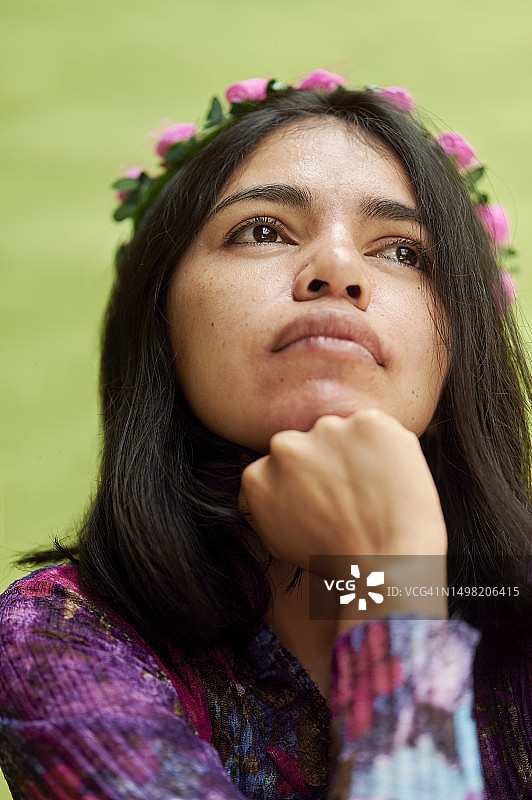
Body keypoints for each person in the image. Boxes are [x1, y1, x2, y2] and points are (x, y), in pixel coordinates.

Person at [0, 70, 531, 800]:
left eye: (404, 251)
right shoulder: (59, 636)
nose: (339, 270)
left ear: (458, 355)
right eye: (262, 231)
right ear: (161, 323)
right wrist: (393, 591)